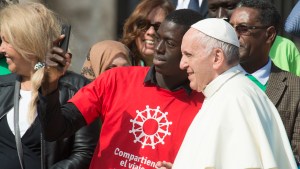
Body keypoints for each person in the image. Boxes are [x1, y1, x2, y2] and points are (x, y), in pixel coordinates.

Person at [38, 9, 204, 169]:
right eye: (158, 38)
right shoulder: (116, 79)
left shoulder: (206, 104)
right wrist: (49, 87)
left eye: (170, 43)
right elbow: (55, 130)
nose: (158, 48)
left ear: (190, 50)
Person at [170, 18, 297, 169]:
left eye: (188, 55)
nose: (182, 64)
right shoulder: (227, 93)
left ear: (217, 57)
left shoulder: (235, 99)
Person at [0, 3, 99, 169]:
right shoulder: (3, 86)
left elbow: (85, 152)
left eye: (6, 41)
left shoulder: (76, 88)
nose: (1, 48)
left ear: (27, 42)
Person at [229, 0, 300, 165]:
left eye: (243, 28)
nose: (233, 35)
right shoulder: (213, 81)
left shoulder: (295, 88)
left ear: (269, 35)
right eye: (230, 27)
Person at [207, 0, 300, 76]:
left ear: (270, 34)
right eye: (232, 28)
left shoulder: (285, 47)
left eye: (243, 29)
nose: (220, 16)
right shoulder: (214, 79)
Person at [121, 0, 174, 66]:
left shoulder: (182, 72)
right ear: (133, 28)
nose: (151, 32)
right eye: (143, 24)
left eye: (159, 26)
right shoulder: (120, 66)